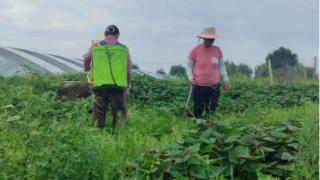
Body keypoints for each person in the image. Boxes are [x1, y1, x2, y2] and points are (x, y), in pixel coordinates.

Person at [83, 25, 132, 128]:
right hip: (118, 86)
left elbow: (87, 58)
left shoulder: (96, 46)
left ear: (105, 34)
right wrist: (127, 86)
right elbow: (128, 70)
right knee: (118, 113)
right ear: (117, 35)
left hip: (99, 85)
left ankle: (98, 134)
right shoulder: (123, 49)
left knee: (99, 113)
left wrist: (87, 69)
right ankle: (118, 136)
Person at [186, 27, 230, 118]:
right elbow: (189, 66)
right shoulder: (195, 50)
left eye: (212, 39)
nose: (210, 41)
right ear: (203, 38)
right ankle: (198, 127)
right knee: (198, 109)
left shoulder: (217, 50)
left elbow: (221, 66)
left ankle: (210, 127)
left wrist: (226, 79)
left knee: (211, 110)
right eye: (208, 39)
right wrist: (190, 78)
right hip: (199, 86)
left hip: (214, 87)